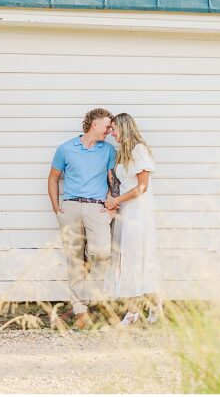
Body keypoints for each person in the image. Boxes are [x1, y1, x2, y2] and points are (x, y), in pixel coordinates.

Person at [47, 108, 119, 330]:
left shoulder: (108, 150)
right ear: (94, 124)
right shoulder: (66, 148)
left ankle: (87, 257)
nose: (109, 130)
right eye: (107, 126)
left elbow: (113, 180)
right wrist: (56, 206)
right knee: (73, 261)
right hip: (70, 207)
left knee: (102, 252)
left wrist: (112, 205)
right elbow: (53, 178)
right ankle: (81, 312)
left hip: (97, 208)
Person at [103, 112, 163, 325]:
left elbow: (142, 187)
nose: (111, 133)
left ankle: (138, 311)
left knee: (136, 261)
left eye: (114, 129)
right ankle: (142, 310)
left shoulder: (139, 150)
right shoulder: (124, 152)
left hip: (138, 213)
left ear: (124, 127)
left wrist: (117, 199)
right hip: (126, 212)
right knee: (127, 262)